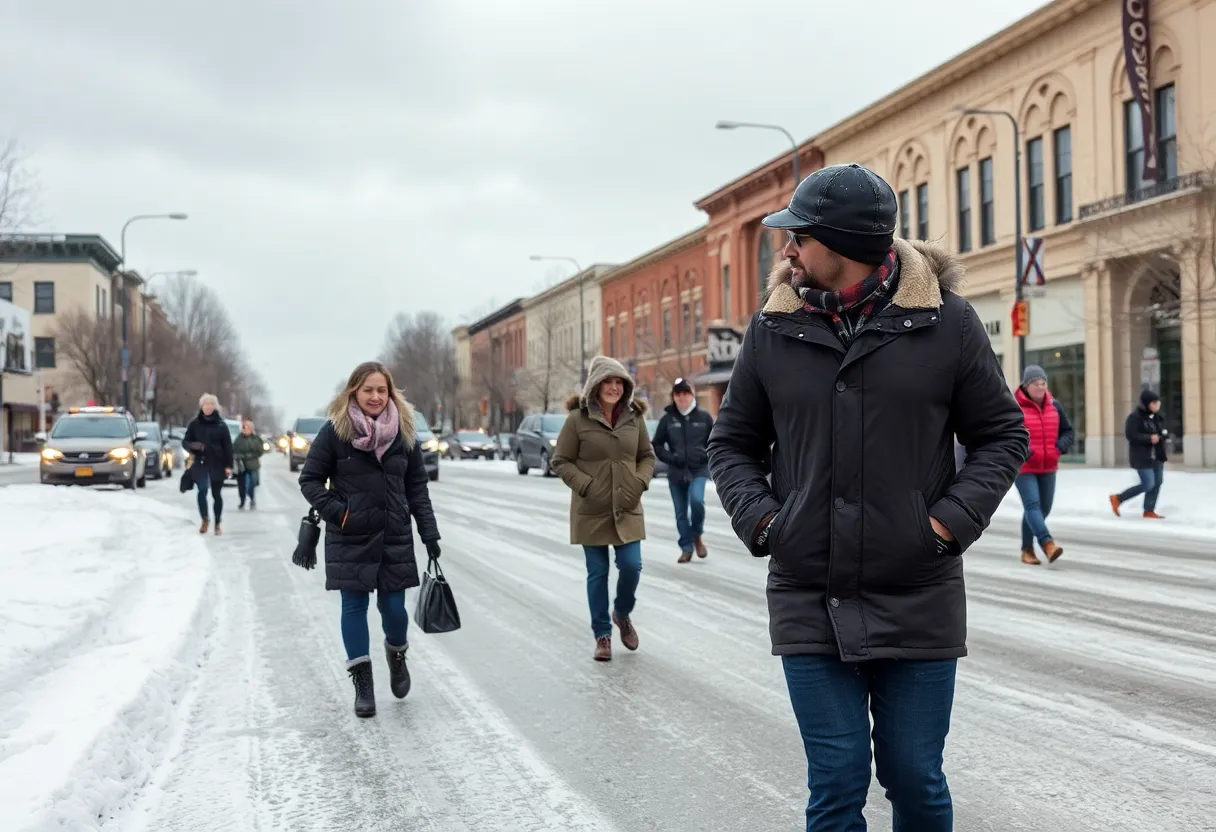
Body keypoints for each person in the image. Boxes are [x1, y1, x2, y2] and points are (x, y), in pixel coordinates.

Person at [707, 164, 1029, 831]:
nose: (788, 249)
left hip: (918, 591)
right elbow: (730, 444)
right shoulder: (772, 331)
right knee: (837, 780)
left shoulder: (948, 324)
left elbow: (1002, 436)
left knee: (915, 778)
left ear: (841, 243)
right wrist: (767, 520)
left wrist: (942, 525)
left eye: (798, 236)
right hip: (808, 593)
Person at [298, 361, 442, 718]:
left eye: (382, 390)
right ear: (354, 393)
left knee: (394, 610)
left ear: (389, 393)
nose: (375, 397)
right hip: (351, 536)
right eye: (368, 390)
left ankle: (397, 654)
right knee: (353, 608)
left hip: (394, 535)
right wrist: (339, 512)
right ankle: (363, 686)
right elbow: (310, 480)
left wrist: (429, 533)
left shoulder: (404, 433)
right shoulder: (335, 432)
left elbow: (417, 489)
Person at [551, 355, 656, 662]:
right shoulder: (576, 420)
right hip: (591, 508)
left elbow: (647, 456)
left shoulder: (634, 418)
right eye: (607, 382)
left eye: (619, 382)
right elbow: (560, 461)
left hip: (627, 504)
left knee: (632, 566)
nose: (613, 387)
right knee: (597, 573)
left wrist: (640, 482)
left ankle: (621, 614)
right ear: (595, 386)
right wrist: (586, 485)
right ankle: (602, 635)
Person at [1013, 365, 1075, 565]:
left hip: (1049, 466)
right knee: (1033, 505)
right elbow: (1009, 434)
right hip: (1025, 468)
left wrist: (1059, 448)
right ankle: (1047, 544)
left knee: (1043, 509)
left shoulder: (1054, 406)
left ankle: (1026, 549)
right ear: (1026, 386)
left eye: (1043, 383)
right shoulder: (1015, 407)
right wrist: (1025, 450)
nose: (1041, 387)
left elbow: (1068, 431)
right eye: (1036, 383)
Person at [652, 377, 715, 563]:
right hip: (676, 472)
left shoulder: (704, 417)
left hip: (698, 469)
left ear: (692, 394)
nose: (682, 397)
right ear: (674, 396)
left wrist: (705, 455)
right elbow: (657, 445)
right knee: (680, 513)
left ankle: (697, 535)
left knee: (697, 501)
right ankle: (686, 548)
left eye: (685, 393)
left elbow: (716, 441)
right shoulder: (668, 419)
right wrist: (671, 458)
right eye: (678, 394)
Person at [1110, 389, 1169, 519]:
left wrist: (1162, 436)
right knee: (1148, 483)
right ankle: (1118, 499)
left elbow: (1164, 432)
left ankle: (1149, 510)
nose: (1157, 405)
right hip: (1142, 457)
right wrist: (1149, 438)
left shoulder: (1158, 417)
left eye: (1158, 402)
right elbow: (1131, 435)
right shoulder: (1135, 417)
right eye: (1154, 403)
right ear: (1147, 403)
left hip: (1157, 455)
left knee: (1157, 482)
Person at [183, 393, 234, 535]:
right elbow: (185, 442)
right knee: (202, 490)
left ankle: (217, 523)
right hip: (201, 462)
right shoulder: (194, 424)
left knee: (216, 494)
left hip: (217, 463)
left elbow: (228, 446)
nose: (208, 407)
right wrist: (194, 446)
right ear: (201, 406)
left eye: (211, 404)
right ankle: (205, 519)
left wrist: (229, 465)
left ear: (215, 407)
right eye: (205, 404)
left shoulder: (221, 425)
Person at [233, 420, 265, 510]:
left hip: (253, 465)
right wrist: (240, 456)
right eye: (244, 427)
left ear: (252, 429)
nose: (246, 429)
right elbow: (234, 451)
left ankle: (252, 499)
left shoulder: (256, 439)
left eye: (248, 427)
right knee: (242, 485)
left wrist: (251, 455)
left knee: (251, 484)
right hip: (241, 465)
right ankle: (242, 501)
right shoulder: (238, 439)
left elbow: (260, 451)